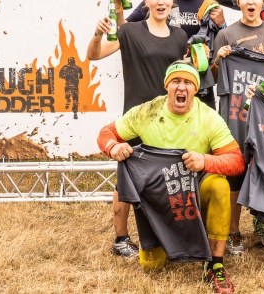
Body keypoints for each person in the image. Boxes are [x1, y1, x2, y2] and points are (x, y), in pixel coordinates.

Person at [97, 61, 244, 294]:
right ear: (167, 86)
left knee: (220, 185)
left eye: (188, 82)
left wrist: (205, 161)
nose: (181, 87)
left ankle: (215, 263)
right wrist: (113, 146)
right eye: (176, 81)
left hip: (195, 192)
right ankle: (169, 238)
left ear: (196, 89)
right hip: (159, 200)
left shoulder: (208, 117)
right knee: (152, 264)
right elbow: (106, 132)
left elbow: (236, 161)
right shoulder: (147, 112)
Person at [88, 0, 188, 260]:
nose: (160, 2)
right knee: (126, 179)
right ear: (146, 1)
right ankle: (121, 239)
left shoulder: (180, 36)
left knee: (167, 179)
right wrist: (97, 34)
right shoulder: (130, 31)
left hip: (168, 119)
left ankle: (167, 237)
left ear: (172, 1)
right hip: (135, 117)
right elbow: (94, 55)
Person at [213, 0, 264, 255]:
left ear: (263, 1)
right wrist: (218, 60)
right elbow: (216, 79)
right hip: (235, 116)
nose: (250, 1)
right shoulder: (225, 35)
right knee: (234, 175)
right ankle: (234, 231)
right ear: (238, 2)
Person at [115, 0, 225, 107]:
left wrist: (222, 24)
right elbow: (125, 30)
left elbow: (223, 45)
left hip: (201, 89)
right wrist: (118, 6)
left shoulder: (209, 4)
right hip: (168, 88)